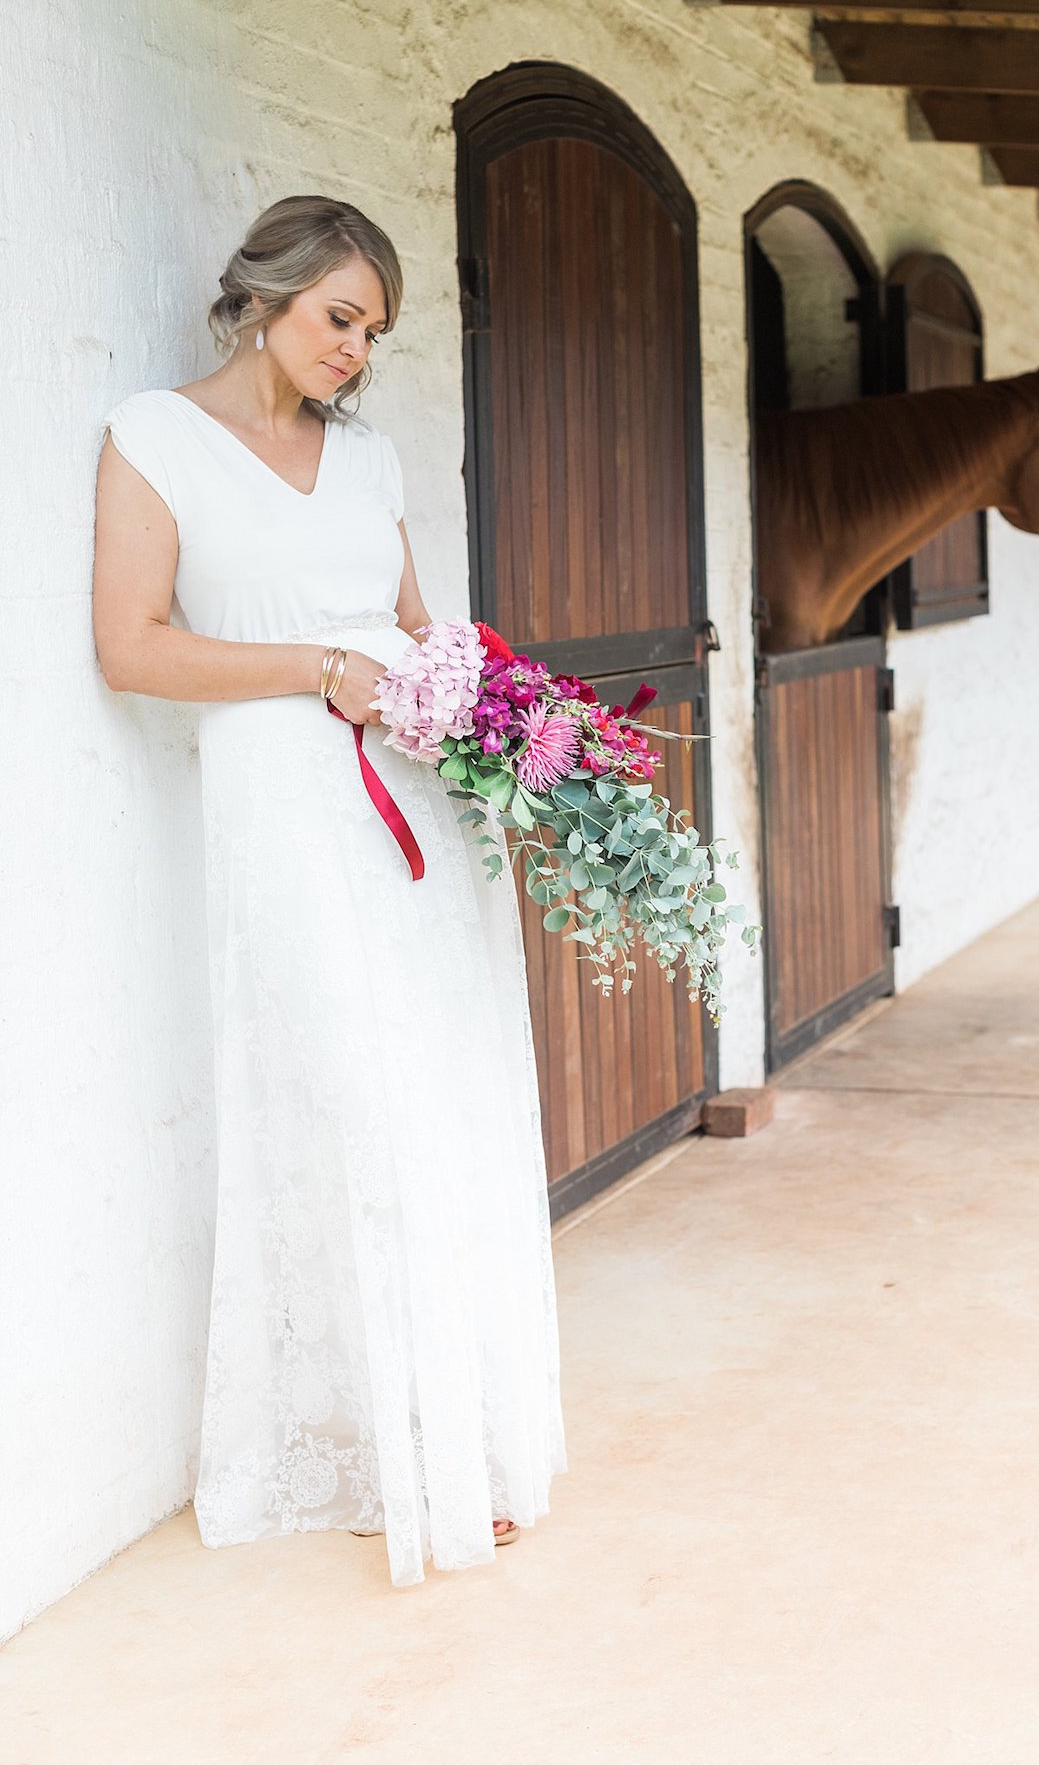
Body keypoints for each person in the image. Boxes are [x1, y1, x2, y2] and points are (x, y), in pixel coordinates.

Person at [93, 196, 565, 1588]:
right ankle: (376, 1446)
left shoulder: (370, 463)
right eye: (338, 317)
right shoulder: (155, 438)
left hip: (408, 805)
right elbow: (132, 645)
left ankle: (451, 1433)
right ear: (264, 293)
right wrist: (313, 668)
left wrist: (498, 725)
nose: (356, 350)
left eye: (374, 331)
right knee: (349, 1099)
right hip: (286, 813)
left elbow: (418, 627)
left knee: (440, 1093)